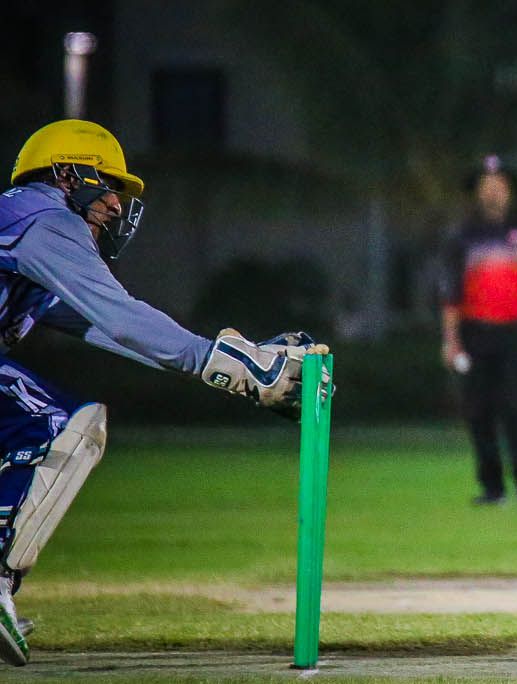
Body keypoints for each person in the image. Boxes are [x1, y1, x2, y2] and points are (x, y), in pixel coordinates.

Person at [0, 119, 325, 667]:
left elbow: (109, 330)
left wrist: (228, 364)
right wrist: (231, 365)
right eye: (108, 185)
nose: (115, 204)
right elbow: (122, 317)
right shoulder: (45, 218)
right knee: (65, 429)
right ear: (67, 175)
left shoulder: (22, 228)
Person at [440, 155, 517, 508]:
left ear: (510, 191)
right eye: (486, 186)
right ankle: (493, 488)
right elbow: (451, 293)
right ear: (477, 192)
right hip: (476, 333)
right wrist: (451, 340)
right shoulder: (463, 235)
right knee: (478, 411)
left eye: (499, 186)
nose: (493, 192)